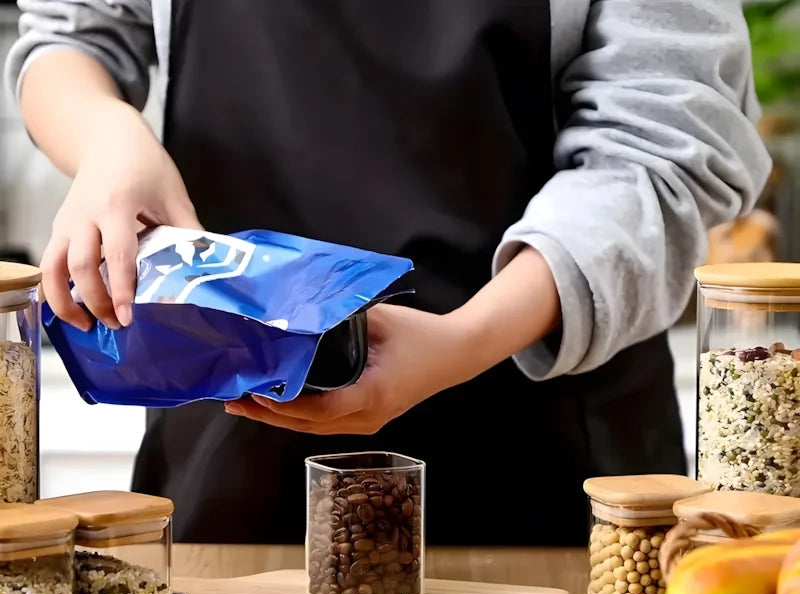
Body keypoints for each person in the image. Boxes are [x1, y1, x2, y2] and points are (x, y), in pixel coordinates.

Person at [4, 1, 771, 546]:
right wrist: (109, 140)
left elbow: (664, 144)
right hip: (230, 453)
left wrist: (470, 338)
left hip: (547, 461)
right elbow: (72, 35)